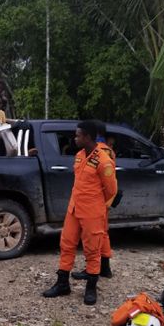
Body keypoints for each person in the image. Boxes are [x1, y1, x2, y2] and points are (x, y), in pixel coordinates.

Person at [43, 120, 117, 305]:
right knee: (66, 244)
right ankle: (62, 284)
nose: (75, 138)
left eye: (78, 135)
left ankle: (91, 288)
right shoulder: (79, 156)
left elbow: (111, 190)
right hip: (74, 209)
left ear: (88, 137)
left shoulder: (104, 160)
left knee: (92, 249)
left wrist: (98, 205)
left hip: (92, 211)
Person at [72, 120, 116, 280]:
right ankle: (105, 268)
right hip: (101, 200)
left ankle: (98, 269)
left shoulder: (103, 152)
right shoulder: (105, 149)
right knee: (102, 233)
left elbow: (110, 181)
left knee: (97, 236)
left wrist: (103, 203)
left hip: (99, 200)